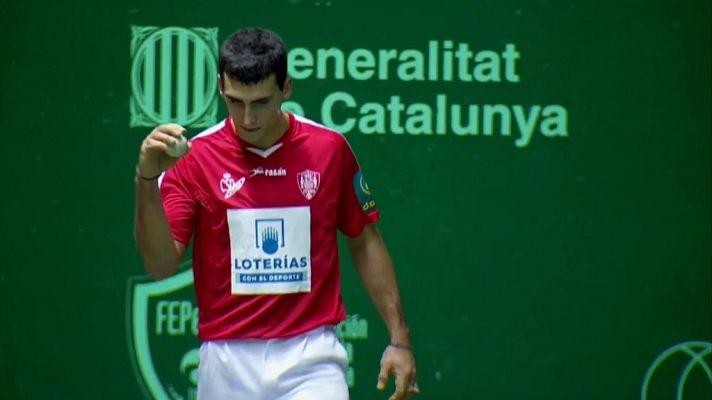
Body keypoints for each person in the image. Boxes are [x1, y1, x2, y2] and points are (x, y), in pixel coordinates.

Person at [134, 27, 418, 400]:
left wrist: (399, 338)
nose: (247, 117)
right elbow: (160, 265)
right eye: (235, 102)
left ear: (286, 88)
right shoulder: (195, 159)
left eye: (261, 102)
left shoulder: (329, 149)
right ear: (221, 86)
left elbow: (365, 242)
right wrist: (146, 177)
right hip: (225, 359)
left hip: (311, 358)